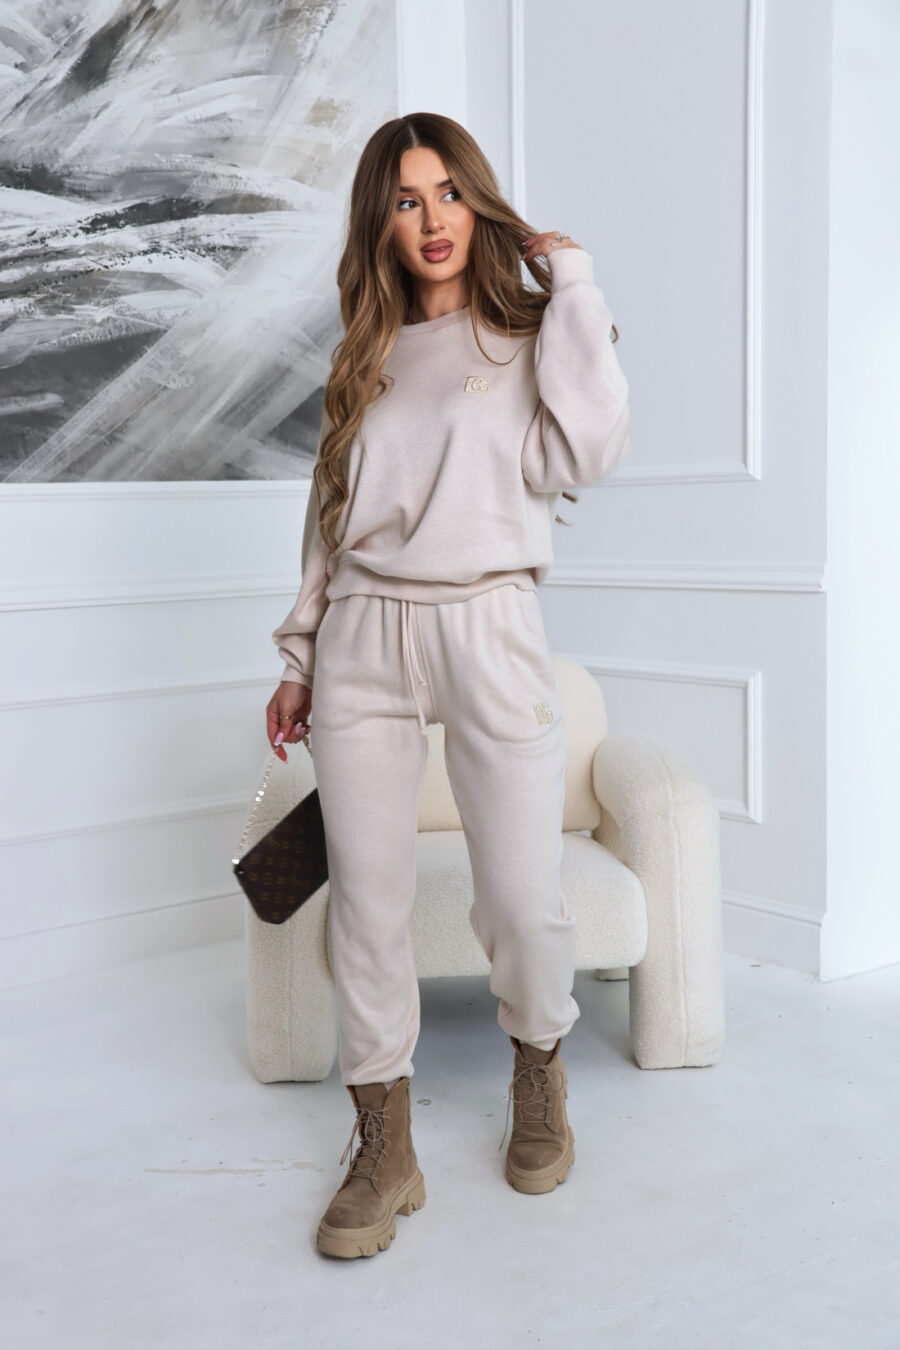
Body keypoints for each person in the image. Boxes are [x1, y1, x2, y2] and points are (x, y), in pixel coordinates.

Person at [265, 112, 631, 1260]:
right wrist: (299, 655)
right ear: (381, 221)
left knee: (520, 896)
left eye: (450, 194)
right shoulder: (363, 354)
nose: (432, 220)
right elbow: (330, 517)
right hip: (363, 636)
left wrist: (572, 284)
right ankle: (385, 1143)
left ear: (479, 203)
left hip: (490, 622)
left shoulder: (526, 337)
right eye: (407, 200)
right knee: (367, 904)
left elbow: (592, 448)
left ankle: (540, 1067)